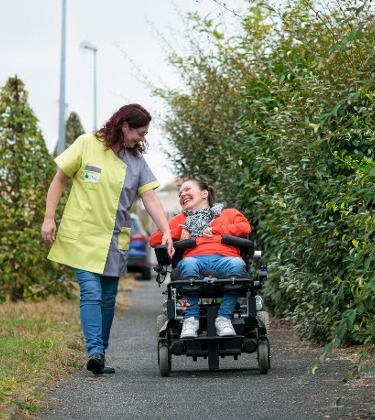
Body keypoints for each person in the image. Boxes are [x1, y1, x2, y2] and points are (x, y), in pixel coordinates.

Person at [41, 104, 174, 375]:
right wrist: (48, 217)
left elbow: (149, 197)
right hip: (82, 235)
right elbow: (59, 180)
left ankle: (101, 351)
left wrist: (167, 230)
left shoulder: (135, 160)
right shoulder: (87, 144)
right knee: (91, 292)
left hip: (114, 238)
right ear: (124, 126)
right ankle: (95, 352)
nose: (142, 138)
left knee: (108, 298)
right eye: (140, 132)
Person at [149, 179, 251, 339]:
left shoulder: (229, 213)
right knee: (188, 263)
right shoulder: (180, 220)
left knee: (237, 264)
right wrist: (180, 231)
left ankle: (224, 318)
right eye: (180, 193)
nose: (182, 194)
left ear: (205, 193)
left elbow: (245, 227)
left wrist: (215, 230)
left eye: (187, 189)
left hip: (226, 259)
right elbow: (154, 239)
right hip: (194, 261)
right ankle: (191, 319)